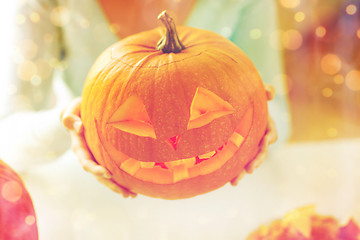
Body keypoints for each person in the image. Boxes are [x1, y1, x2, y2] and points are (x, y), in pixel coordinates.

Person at [0, 0, 289, 239]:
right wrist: (72, 122)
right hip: (96, 209)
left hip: (227, 209)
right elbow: (7, 137)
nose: (174, 139)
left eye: (203, 113)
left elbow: (277, 114)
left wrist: (262, 124)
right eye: (139, 121)